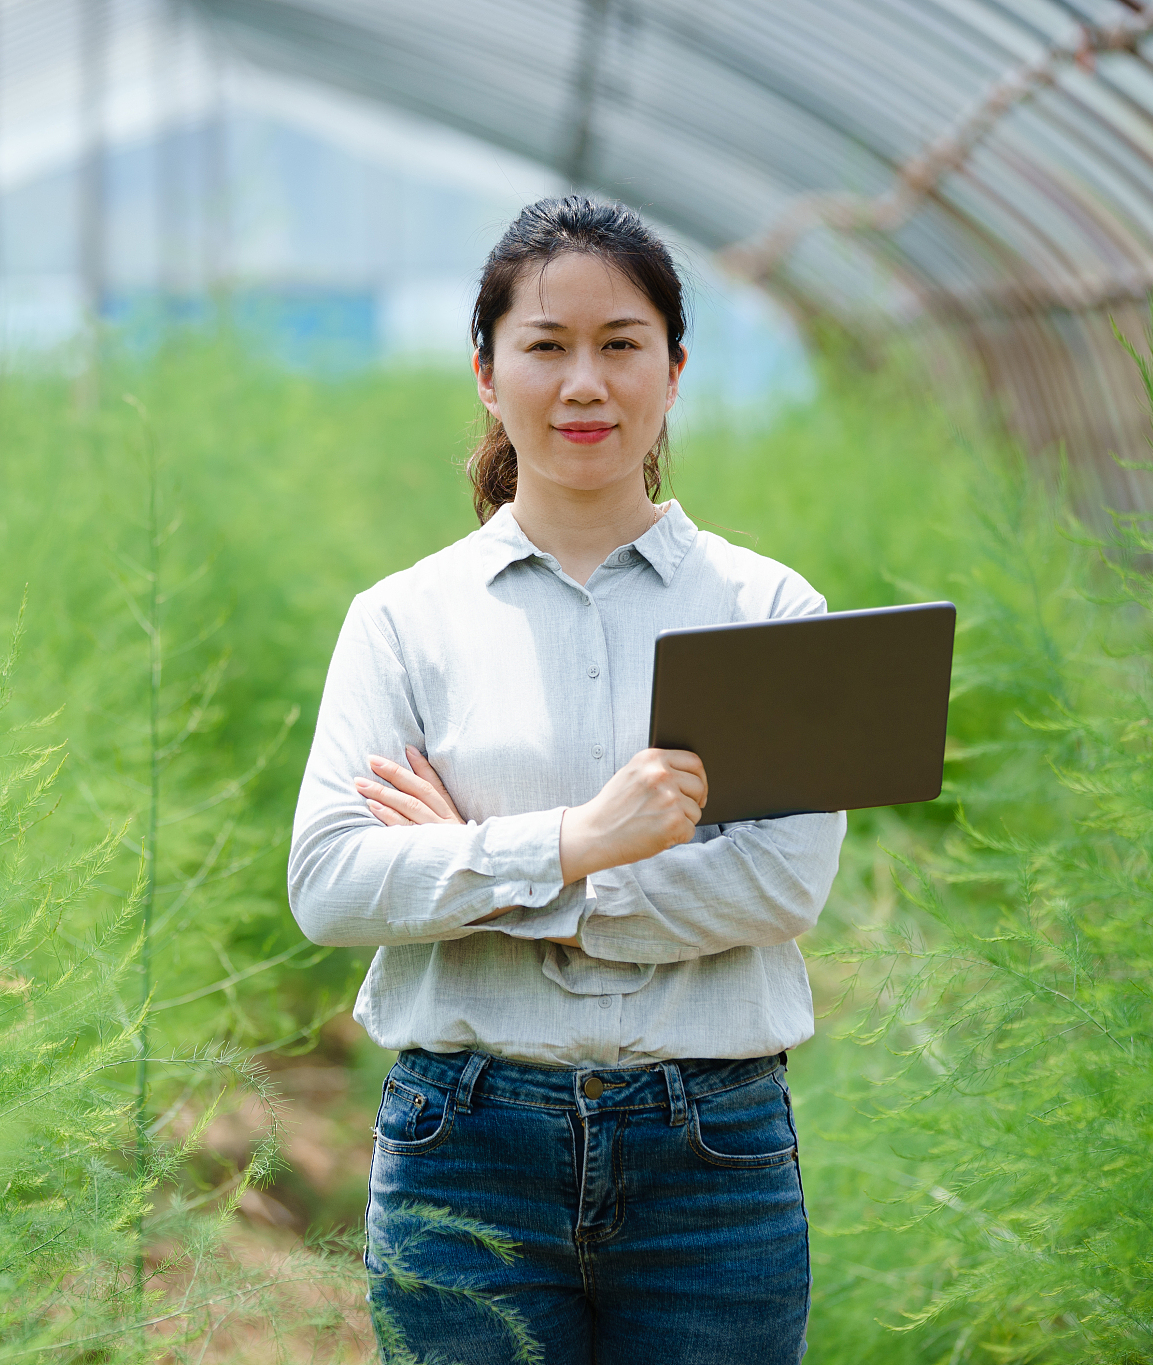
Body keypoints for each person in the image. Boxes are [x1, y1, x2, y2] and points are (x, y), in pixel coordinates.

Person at [287, 195, 845, 1364]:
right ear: (487, 376)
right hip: (466, 1149)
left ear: (674, 370)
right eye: (544, 347)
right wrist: (584, 836)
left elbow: (779, 888)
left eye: (619, 344)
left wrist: (496, 875)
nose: (582, 383)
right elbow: (333, 886)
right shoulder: (404, 621)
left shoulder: (768, 612)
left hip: (714, 1159)